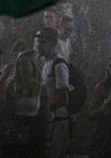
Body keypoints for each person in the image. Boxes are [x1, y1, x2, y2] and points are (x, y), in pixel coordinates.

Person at [0, 50, 50, 157]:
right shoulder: (11, 85)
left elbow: (44, 116)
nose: (21, 68)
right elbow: (2, 113)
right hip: (15, 131)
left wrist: (45, 138)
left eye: (25, 64)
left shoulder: (41, 88)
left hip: (34, 132)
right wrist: (15, 96)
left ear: (33, 66)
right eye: (19, 65)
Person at [35, 26, 70, 158]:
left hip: (58, 120)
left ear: (53, 43)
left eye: (43, 42)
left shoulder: (59, 65)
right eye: (39, 42)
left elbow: (63, 98)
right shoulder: (45, 62)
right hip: (49, 118)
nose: (39, 45)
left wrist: (43, 109)